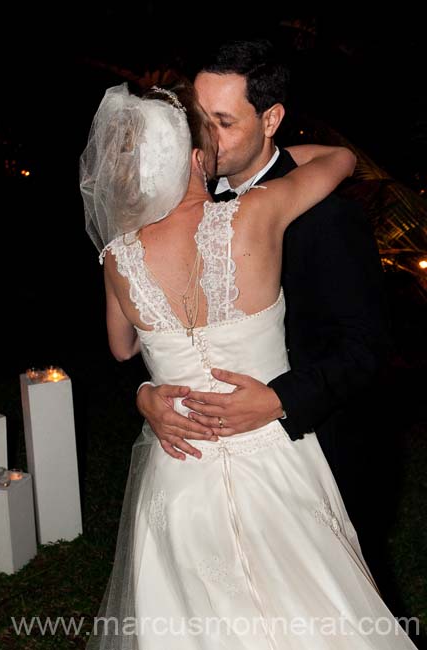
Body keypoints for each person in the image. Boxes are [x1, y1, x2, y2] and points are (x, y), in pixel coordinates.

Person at [80, 80, 417, 648]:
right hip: (273, 460)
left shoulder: (117, 255)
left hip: (181, 468)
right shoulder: (258, 213)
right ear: (193, 158)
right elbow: (341, 159)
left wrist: (146, 391)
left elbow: (121, 349)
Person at [136, 39, 391, 585]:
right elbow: (152, 329)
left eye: (223, 122)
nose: (205, 140)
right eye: (198, 120)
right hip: (203, 476)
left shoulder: (325, 216)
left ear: (271, 118)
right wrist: (146, 394)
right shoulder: (174, 208)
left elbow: (365, 348)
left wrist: (279, 401)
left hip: (316, 454)